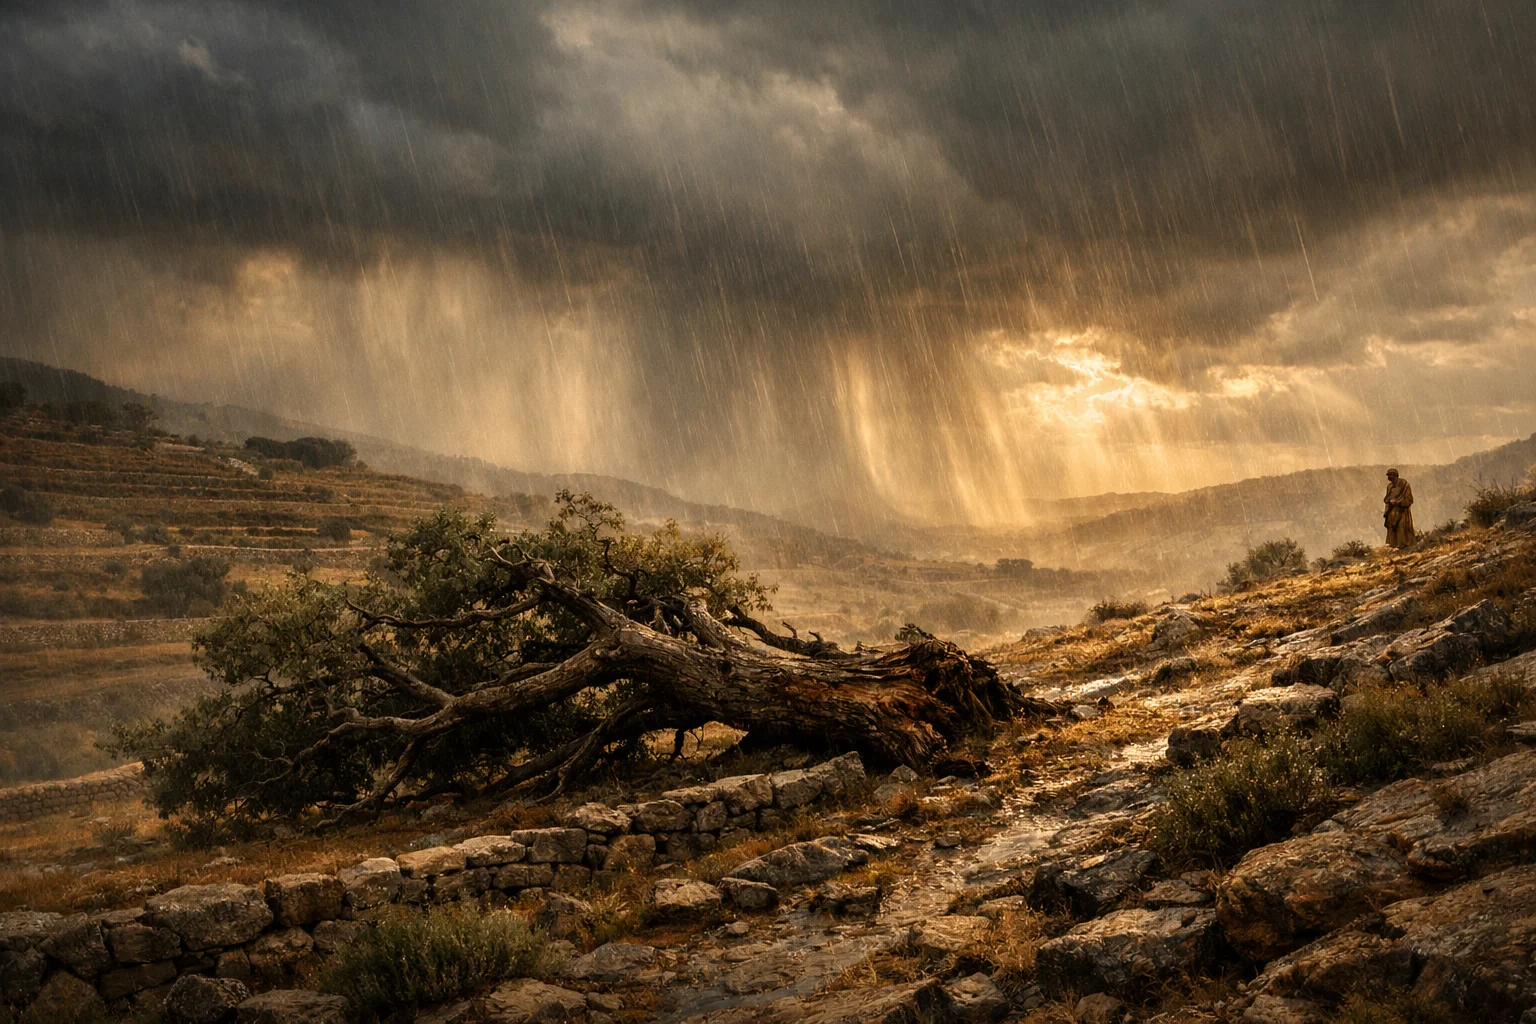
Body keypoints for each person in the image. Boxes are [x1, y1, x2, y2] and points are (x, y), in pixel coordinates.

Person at [1383, 468, 1416, 548]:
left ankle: (1403, 545)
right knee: (1391, 528)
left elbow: (1410, 499)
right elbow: (1387, 499)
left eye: (1390, 475)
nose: (1389, 478)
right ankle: (1393, 545)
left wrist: (1399, 502)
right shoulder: (1389, 487)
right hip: (1392, 512)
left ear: (1395, 476)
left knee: (1401, 528)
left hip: (1402, 511)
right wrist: (1386, 511)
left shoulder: (1404, 485)